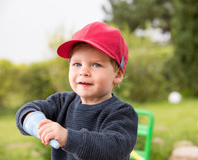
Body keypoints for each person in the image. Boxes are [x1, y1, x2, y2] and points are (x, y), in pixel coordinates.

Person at [15, 21, 138, 160]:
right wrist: (35, 122)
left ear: (117, 75)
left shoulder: (122, 113)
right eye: (77, 64)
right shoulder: (61, 103)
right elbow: (26, 111)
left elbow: (114, 148)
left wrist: (68, 138)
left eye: (96, 65)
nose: (83, 72)